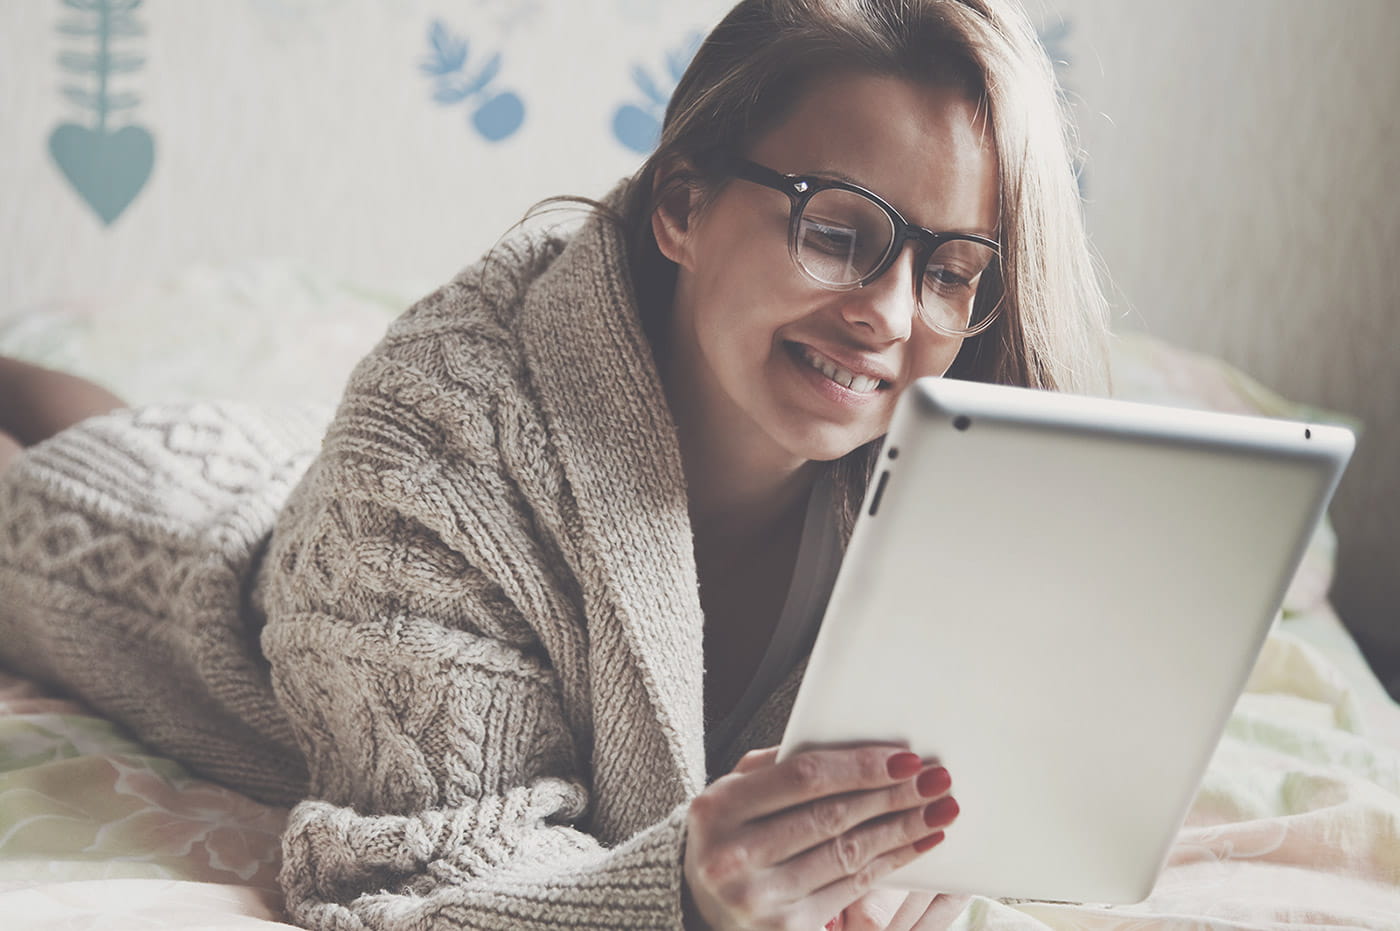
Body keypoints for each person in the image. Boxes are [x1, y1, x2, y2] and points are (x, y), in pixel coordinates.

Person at [0, 0, 1109, 927]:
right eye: (834, 230)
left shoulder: (947, 474)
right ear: (681, 204)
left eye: (951, 267)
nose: (886, 314)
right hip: (219, 582)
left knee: (161, 424)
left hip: (347, 493)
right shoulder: (427, 453)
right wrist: (679, 891)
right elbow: (411, 876)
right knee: (76, 471)